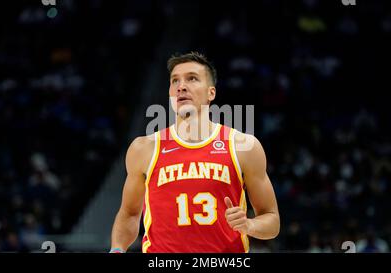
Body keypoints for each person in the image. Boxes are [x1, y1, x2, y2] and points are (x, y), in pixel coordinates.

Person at [110, 52, 280, 253]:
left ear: (211, 93)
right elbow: (129, 214)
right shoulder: (144, 148)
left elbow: (272, 219)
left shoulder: (243, 146)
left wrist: (250, 225)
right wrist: (117, 250)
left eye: (192, 78)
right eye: (175, 81)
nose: (181, 86)